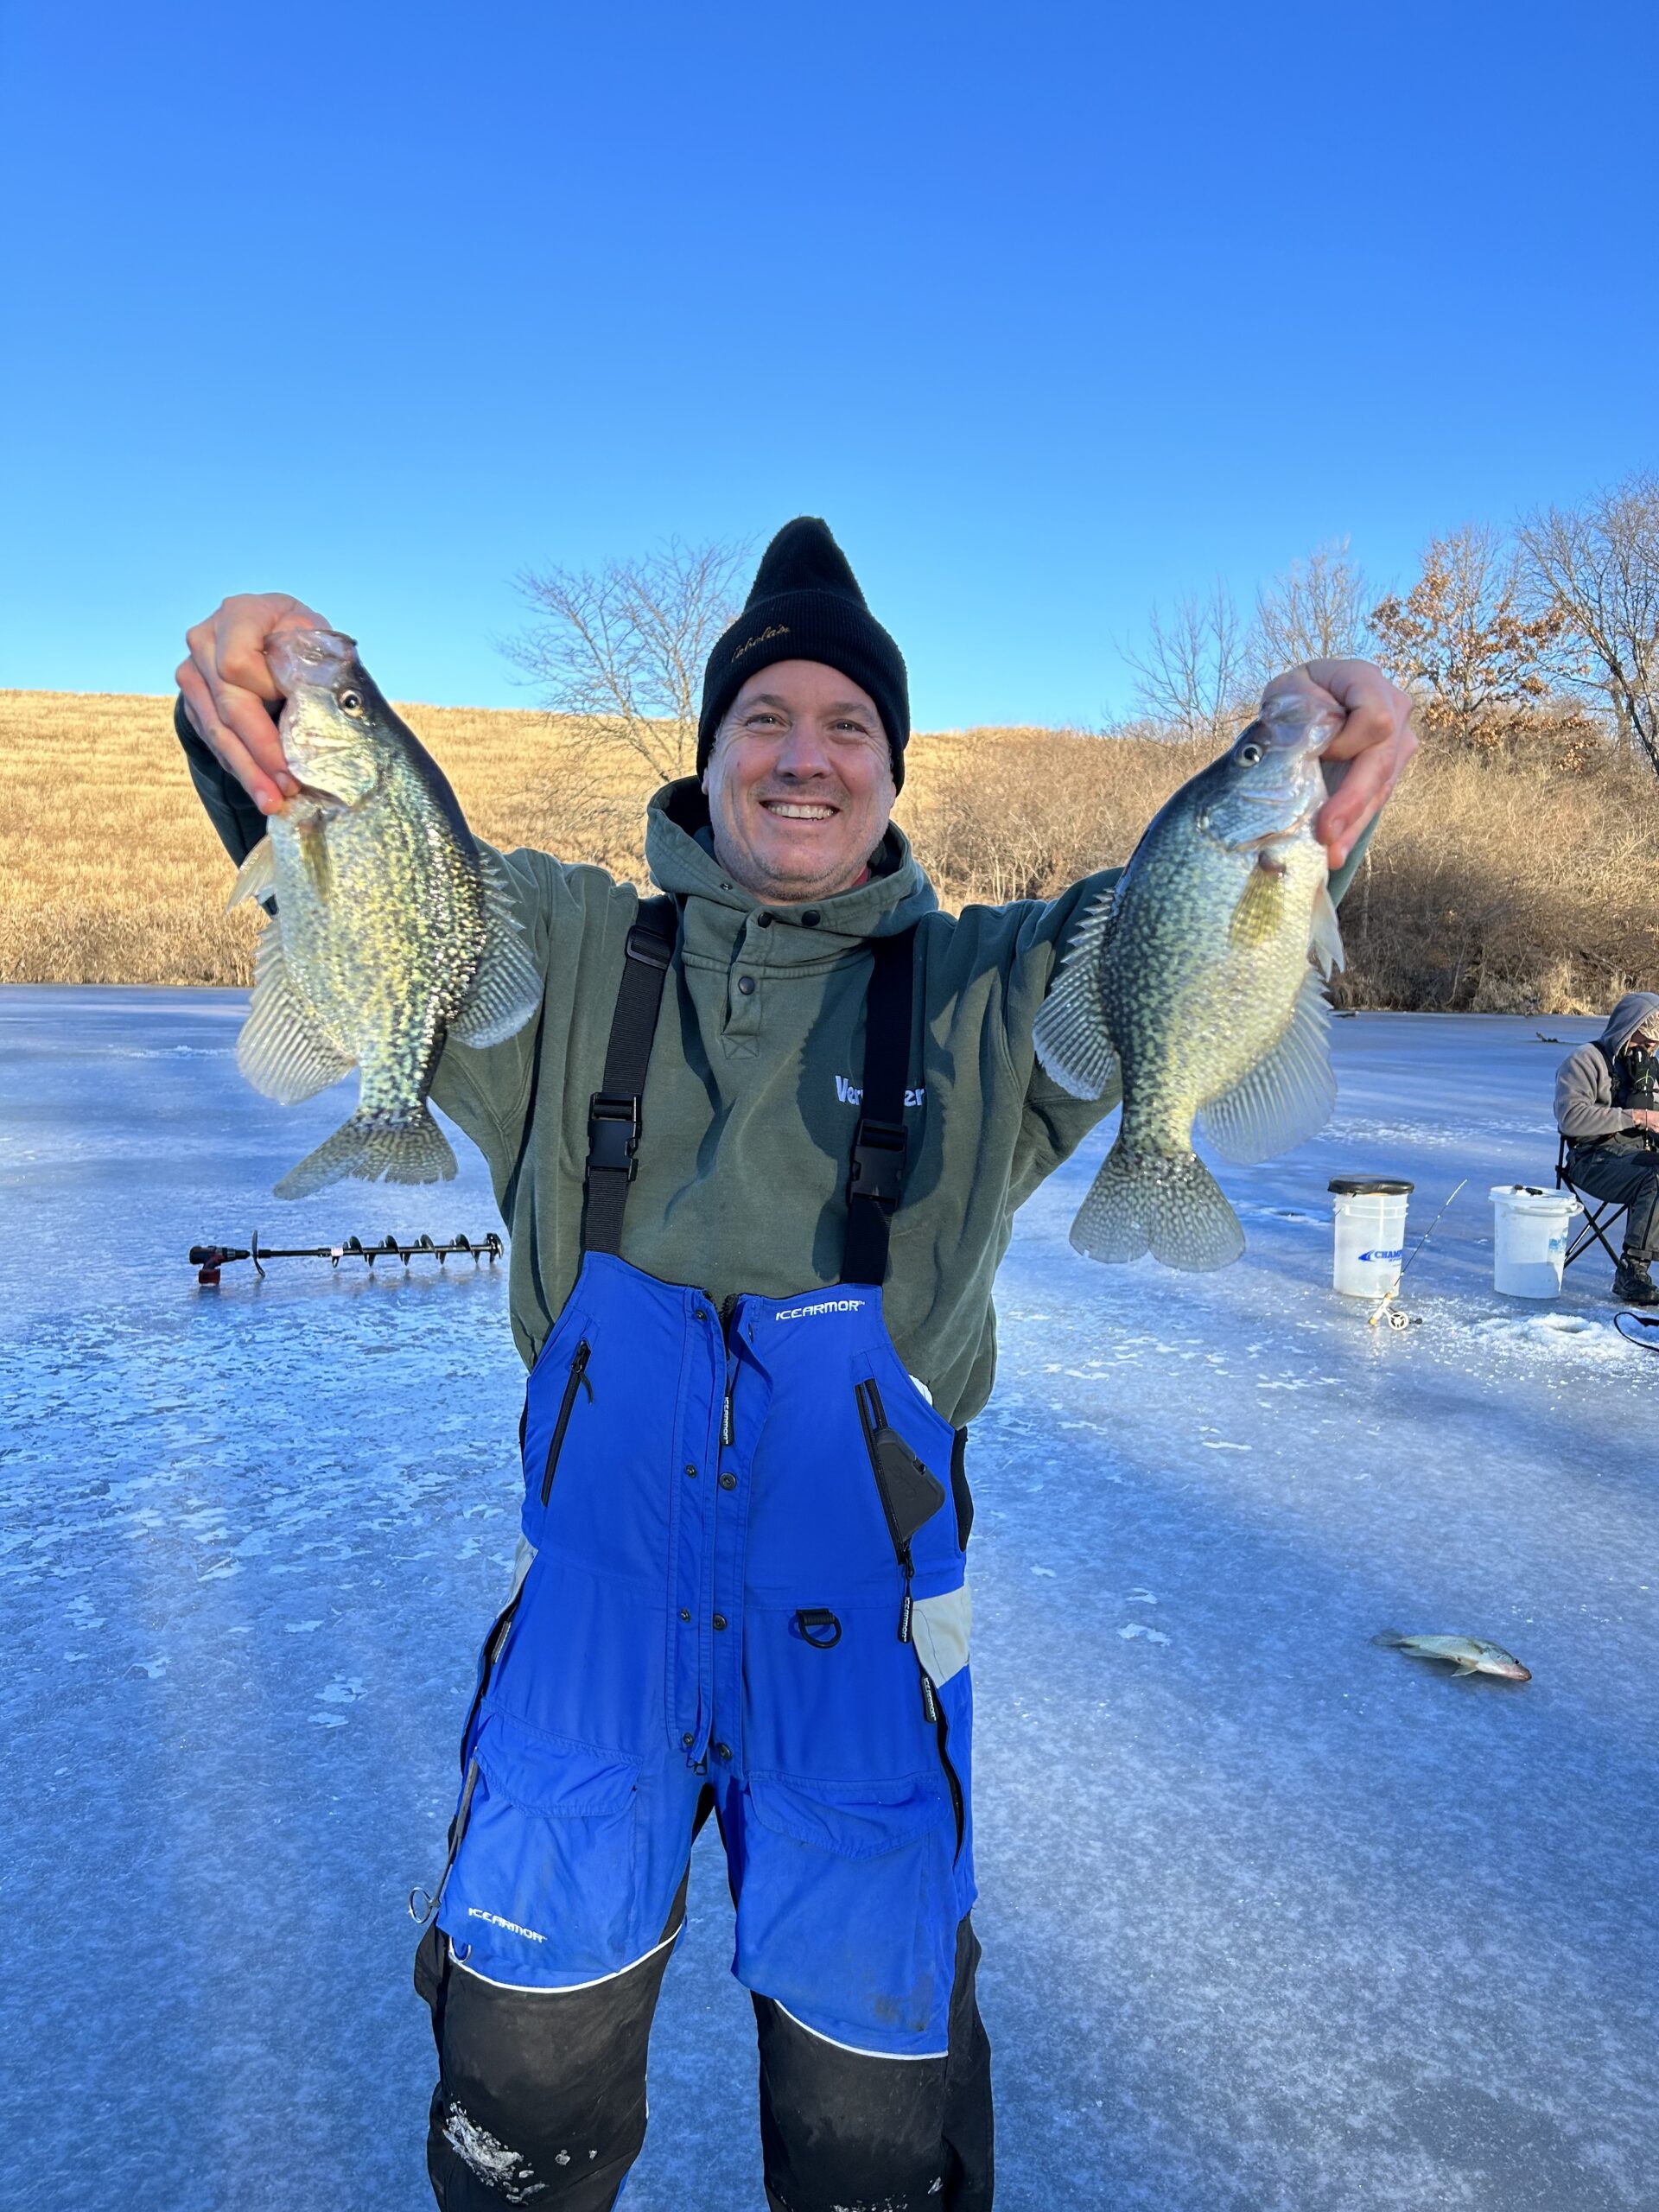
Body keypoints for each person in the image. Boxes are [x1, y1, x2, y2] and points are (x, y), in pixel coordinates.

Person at [175, 519, 1416, 2211]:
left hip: (862, 1647)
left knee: (874, 2140)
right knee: (514, 2108)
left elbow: (1186, 923)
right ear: (708, 753)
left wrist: (1323, 777)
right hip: (593, 1627)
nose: (805, 752)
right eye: (766, 715)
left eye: (850, 723)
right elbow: (373, 874)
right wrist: (245, 713)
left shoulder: (985, 992)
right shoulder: (561, 947)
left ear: (895, 772)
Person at [1555, 992, 1659, 1306]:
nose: (1650, 1048)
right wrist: (1634, 1116)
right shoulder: (1585, 1060)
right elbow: (1570, 1118)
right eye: (1644, 1040)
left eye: (1654, 1044)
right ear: (1628, 1028)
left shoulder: (1650, 1070)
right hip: (1592, 1160)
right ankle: (1632, 1272)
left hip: (1638, 1157)